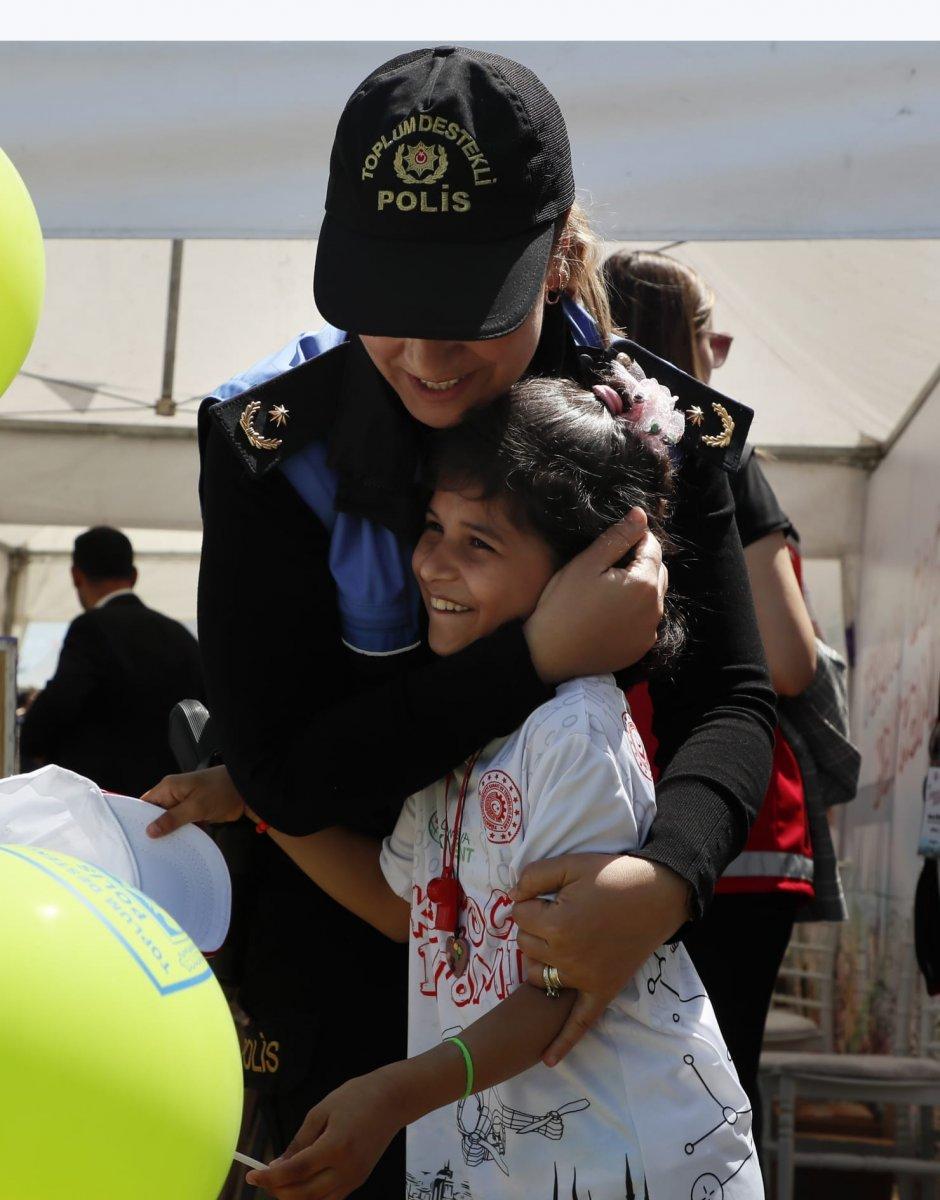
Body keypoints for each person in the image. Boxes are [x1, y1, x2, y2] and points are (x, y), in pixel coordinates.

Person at [143, 46, 776, 1189]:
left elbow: (731, 701)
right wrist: (538, 655)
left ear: (554, 262)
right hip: (352, 993)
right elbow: (285, 770)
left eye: (467, 313)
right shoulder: (266, 445)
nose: (426, 360)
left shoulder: (653, 427)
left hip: (602, 981)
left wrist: (663, 881)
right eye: (388, 310)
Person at [243, 365, 763, 1200]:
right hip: (512, 1160)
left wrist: (393, 1094)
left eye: (479, 542)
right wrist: (260, 800)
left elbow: (561, 984)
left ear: (582, 567)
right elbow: (406, 905)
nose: (434, 564)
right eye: (432, 526)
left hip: (624, 1159)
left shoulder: (573, 734)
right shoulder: (461, 731)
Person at [604, 248, 819, 1149]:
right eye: (709, 335)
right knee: (713, 1098)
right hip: (738, 828)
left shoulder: (584, 447)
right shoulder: (720, 454)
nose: (719, 355)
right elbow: (791, 659)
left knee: (627, 1091)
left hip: (625, 819)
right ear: (671, 340)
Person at [20, 526, 204, 797]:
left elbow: (58, 705)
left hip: (106, 801)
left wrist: (31, 743)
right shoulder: (177, 633)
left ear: (76, 575)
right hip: (174, 798)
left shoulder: (90, 628)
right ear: (134, 575)